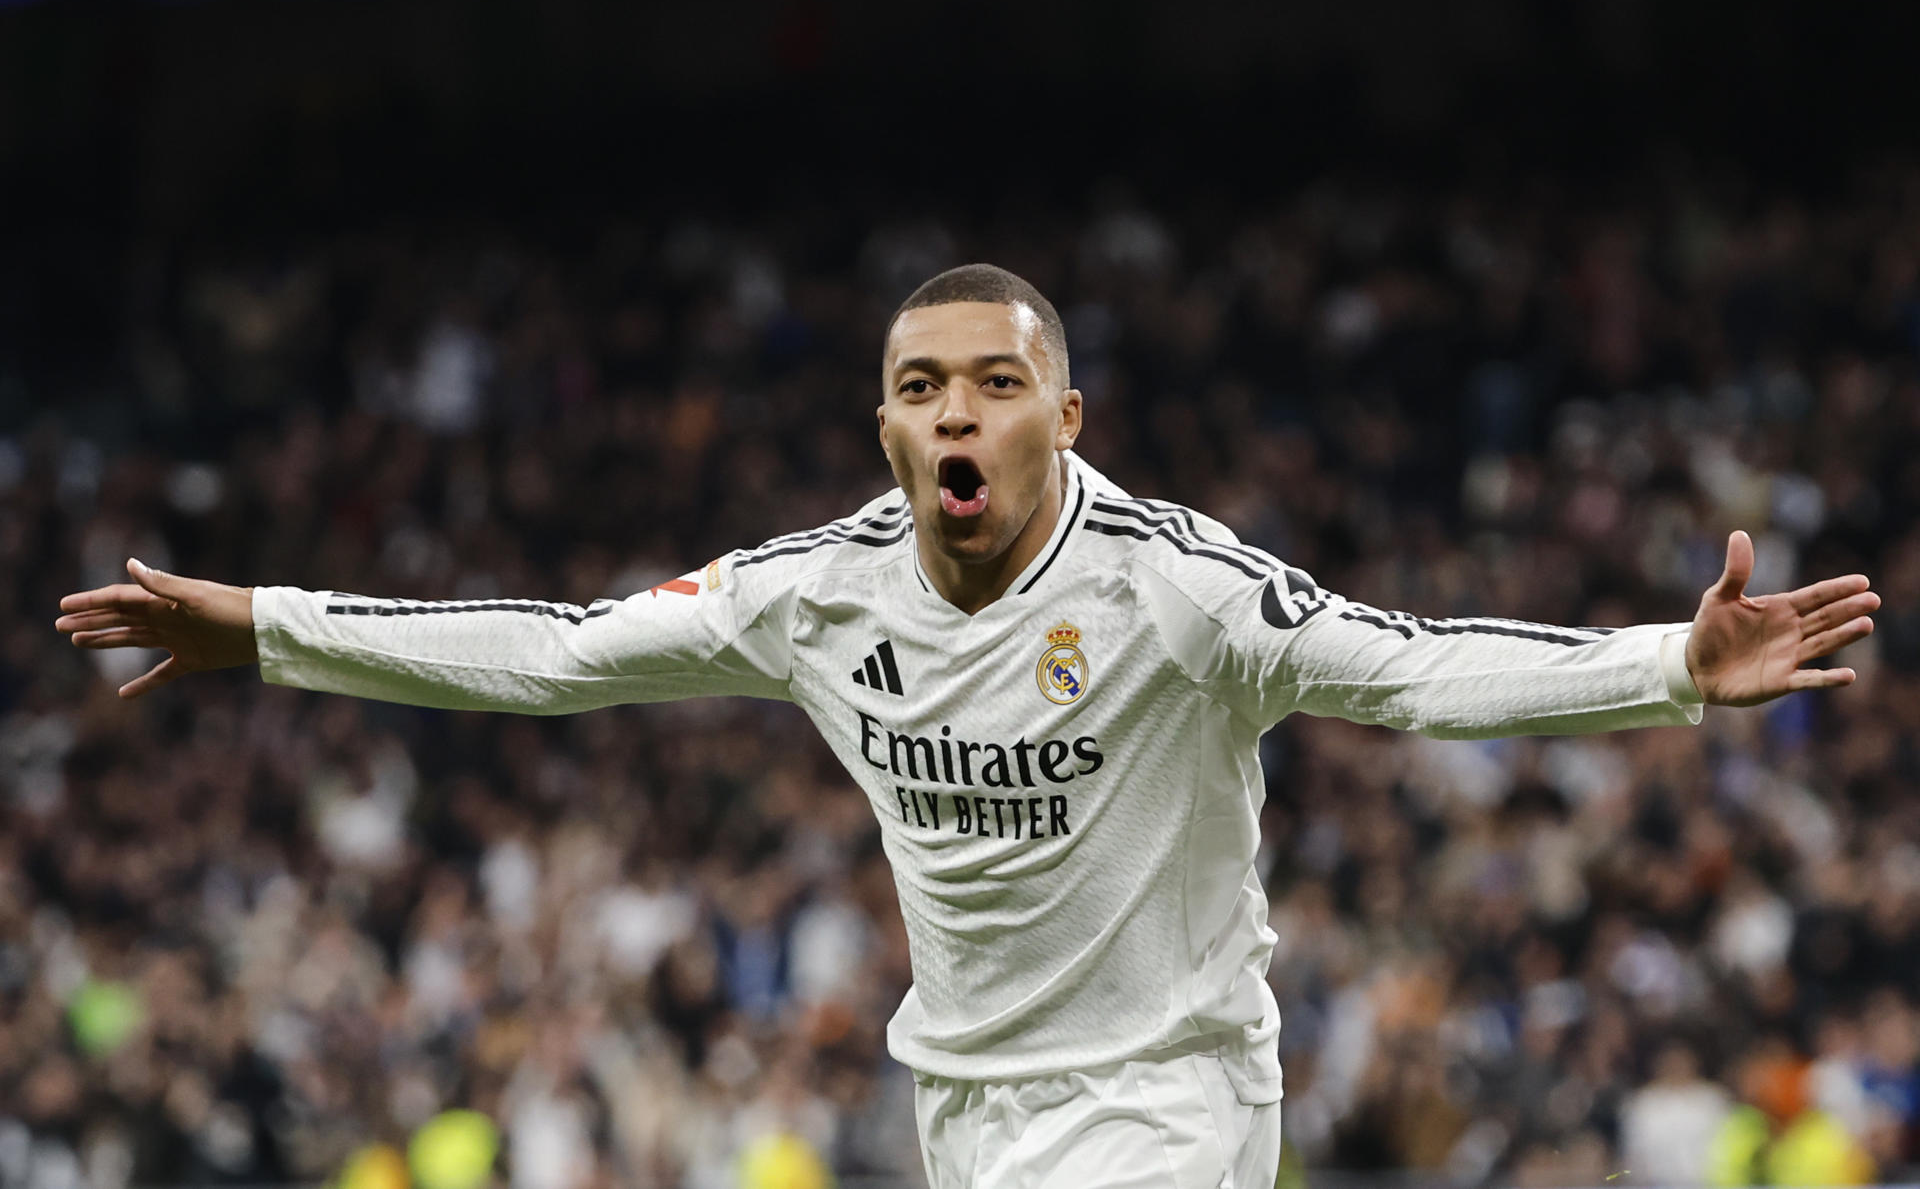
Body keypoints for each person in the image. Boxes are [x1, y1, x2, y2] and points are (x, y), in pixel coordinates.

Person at [55, 264, 1880, 1188]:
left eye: (997, 385)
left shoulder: (1175, 590)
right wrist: (268, 632)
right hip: (973, 1105)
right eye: (922, 387)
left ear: (1063, 418)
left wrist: (1663, 663)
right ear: (883, 428)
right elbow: (552, 653)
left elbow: (1408, 669)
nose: (959, 413)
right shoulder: (814, 594)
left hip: (1173, 1090)